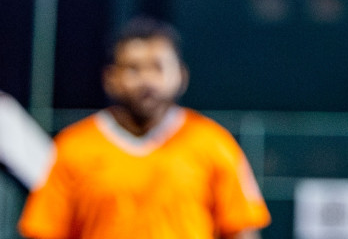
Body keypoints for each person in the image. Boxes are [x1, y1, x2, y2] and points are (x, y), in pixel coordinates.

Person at [18, 18, 269, 239]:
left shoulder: (214, 143)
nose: (147, 80)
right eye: (133, 69)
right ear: (111, 78)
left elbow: (241, 230)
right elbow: (46, 231)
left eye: (158, 67)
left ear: (181, 75)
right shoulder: (73, 147)